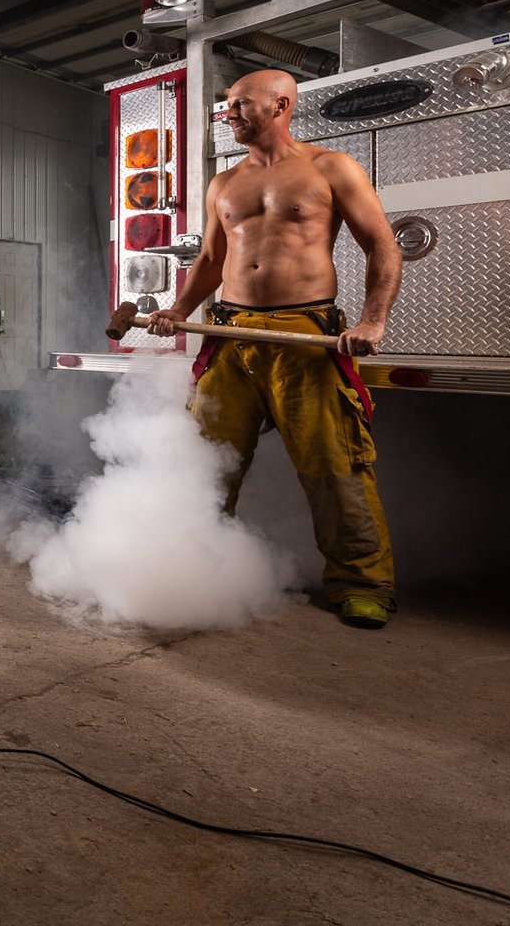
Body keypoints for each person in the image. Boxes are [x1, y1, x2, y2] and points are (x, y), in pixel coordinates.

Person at [147, 68, 402, 628]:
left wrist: (373, 320)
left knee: (334, 466)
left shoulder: (329, 168)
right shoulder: (224, 183)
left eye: (240, 105)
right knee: (204, 464)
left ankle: (362, 584)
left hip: (303, 336)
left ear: (281, 104)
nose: (229, 113)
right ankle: (193, 570)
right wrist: (178, 311)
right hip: (230, 335)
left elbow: (382, 245)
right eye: (227, 106)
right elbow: (211, 261)